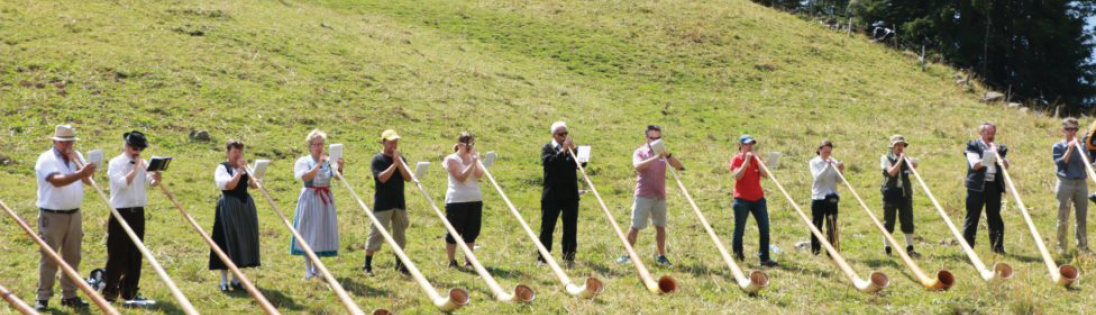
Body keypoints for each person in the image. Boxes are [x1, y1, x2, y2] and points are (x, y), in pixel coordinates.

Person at [34, 125, 96, 311]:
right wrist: (80, 173)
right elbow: (56, 181)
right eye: (63, 142)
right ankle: (43, 296)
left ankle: (69, 295)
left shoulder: (75, 156)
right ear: (55, 141)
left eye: (70, 141)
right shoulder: (46, 158)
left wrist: (85, 169)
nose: (67, 145)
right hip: (52, 216)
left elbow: (88, 181)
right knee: (50, 257)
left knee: (73, 256)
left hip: (74, 214)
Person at [102, 131, 160, 306]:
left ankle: (129, 292)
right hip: (120, 212)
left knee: (135, 253)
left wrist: (157, 176)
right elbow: (122, 183)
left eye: (140, 149)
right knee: (116, 253)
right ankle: (109, 293)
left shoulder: (144, 163)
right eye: (135, 148)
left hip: (137, 212)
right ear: (126, 146)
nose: (138, 152)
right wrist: (136, 168)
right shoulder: (115, 163)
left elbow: (152, 182)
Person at [617, 125, 683, 267]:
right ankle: (627, 255)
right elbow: (637, 166)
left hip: (660, 195)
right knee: (635, 226)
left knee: (660, 226)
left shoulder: (663, 153)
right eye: (652, 138)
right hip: (643, 194)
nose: (655, 141)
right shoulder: (640, 152)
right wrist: (655, 157)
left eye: (658, 138)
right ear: (647, 138)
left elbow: (680, 166)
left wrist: (668, 155)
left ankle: (661, 256)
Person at [210, 140, 261, 291]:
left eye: (240, 151)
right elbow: (229, 185)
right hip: (228, 208)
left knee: (241, 241)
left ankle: (236, 280)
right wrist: (239, 171)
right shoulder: (222, 168)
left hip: (244, 207)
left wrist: (252, 175)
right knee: (226, 241)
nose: (238, 154)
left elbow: (255, 186)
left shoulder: (246, 168)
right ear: (228, 152)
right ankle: (223, 281)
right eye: (235, 152)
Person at [292, 129, 344, 279]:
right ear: (310, 145)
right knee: (309, 233)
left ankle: (317, 268)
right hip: (310, 197)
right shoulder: (304, 161)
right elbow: (304, 177)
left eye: (322, 144)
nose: (320, 147)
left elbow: (337, 177)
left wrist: (339, 167)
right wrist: (318, 165)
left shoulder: (328, 161)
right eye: (316, 144)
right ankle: (309, 269)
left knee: (320, 232)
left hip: (325, 200)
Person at [364, 129, 412, 276]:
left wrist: (400, 163)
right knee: (376, 233)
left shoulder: (400, 159)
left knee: (399, 235)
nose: (394, 144)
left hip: (399, 203)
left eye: (396, 142)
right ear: (384, 142)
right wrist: (395, 164)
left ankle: (399, 264)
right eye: (391, 142)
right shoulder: (377, 159)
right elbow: (382, 178)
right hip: (383, 203)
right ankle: (367, 266)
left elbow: (408, 177)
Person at [538, 121, 585, 268]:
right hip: (552, 196)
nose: (564, 136)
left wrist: (576, 151)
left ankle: (569, 258)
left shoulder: (572, 150)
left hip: (570, 195)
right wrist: (563, 150)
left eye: (566, 133)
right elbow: (551, 164)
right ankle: (543, 258)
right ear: (554, 135)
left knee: (570, 228)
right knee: (547, 228)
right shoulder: (547, 149)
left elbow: (582, 165)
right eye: (560, 134)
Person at [730, 135, 778, 267]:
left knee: (765, 228)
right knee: (739, 229)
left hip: (758, 199)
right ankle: (738, 256)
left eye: (751, 144)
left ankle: (765, 258)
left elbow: (765, 175)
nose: (750, 147)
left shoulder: (757, 159)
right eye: (747, 144)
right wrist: (746, 161)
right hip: (741, 200)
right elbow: (738, 176)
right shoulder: (736, 159)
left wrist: (758, 161)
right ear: (741, 145)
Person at [963, 123, 1008, 255]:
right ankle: (968, 249)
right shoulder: (973, 146)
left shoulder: (999, 148)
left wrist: (1000, 158)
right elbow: (976, 165)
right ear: (981, 133)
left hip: (994, 186)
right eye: (988, 133)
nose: (991, 136)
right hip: (976, 187)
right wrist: (991, 154)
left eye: (993, 133)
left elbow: (1005, 165)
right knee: (972, 217)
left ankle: (997, 247)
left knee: (995, 217)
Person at [442, 132, 485, 269]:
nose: (470, 147)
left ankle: (469, 260)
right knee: (454, 231)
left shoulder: (472, 158)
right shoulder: (451, 159)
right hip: (456, 201)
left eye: (472, 144)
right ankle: (452, 261)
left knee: (471, 231)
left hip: (475, 199)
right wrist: (472, 163)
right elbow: (461, 177)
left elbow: (479, 175)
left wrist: (475, 161)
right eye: (468, 144)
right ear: (460, 145)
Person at [1051, 118, 1090, 254]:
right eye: (1069, 129)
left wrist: (1083, 149)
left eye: (1075, 129)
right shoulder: (1058, 146)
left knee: (1082, 216)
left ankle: (1083, 246)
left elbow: (1087, 163)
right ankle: (1061, 247)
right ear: (1063, 130)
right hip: (1065, 183)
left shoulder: (1082, 145)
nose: (1072, 132)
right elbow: (1062, 164)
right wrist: (1070, 148)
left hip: (1081, 183)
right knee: (1063, 216)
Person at [880, 135, 920, 257]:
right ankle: (887, 249)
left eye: (902, 145)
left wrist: (913, 165)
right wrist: (901, 160)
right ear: (892, 146)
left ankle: (910, 249)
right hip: (890, 193)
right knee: (889, 222)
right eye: (897, 145)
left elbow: (912, 172)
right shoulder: (885, 157)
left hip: (905, 193)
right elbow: (891, 172)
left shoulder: (906, 158)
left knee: (908, 220)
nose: (900, 147)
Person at [809, 139, 844, 255]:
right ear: (819, 151)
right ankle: (816, 249)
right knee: (817, 223)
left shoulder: (834, 161)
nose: (827, 154)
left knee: (832, 224)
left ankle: (832, 250)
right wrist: (828, 166)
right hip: (818, 197)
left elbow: (839, 181)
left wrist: (841, 171)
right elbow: (817, 178)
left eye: (829, 152)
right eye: (825, 152)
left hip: (831, 196)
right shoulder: (814, 162)